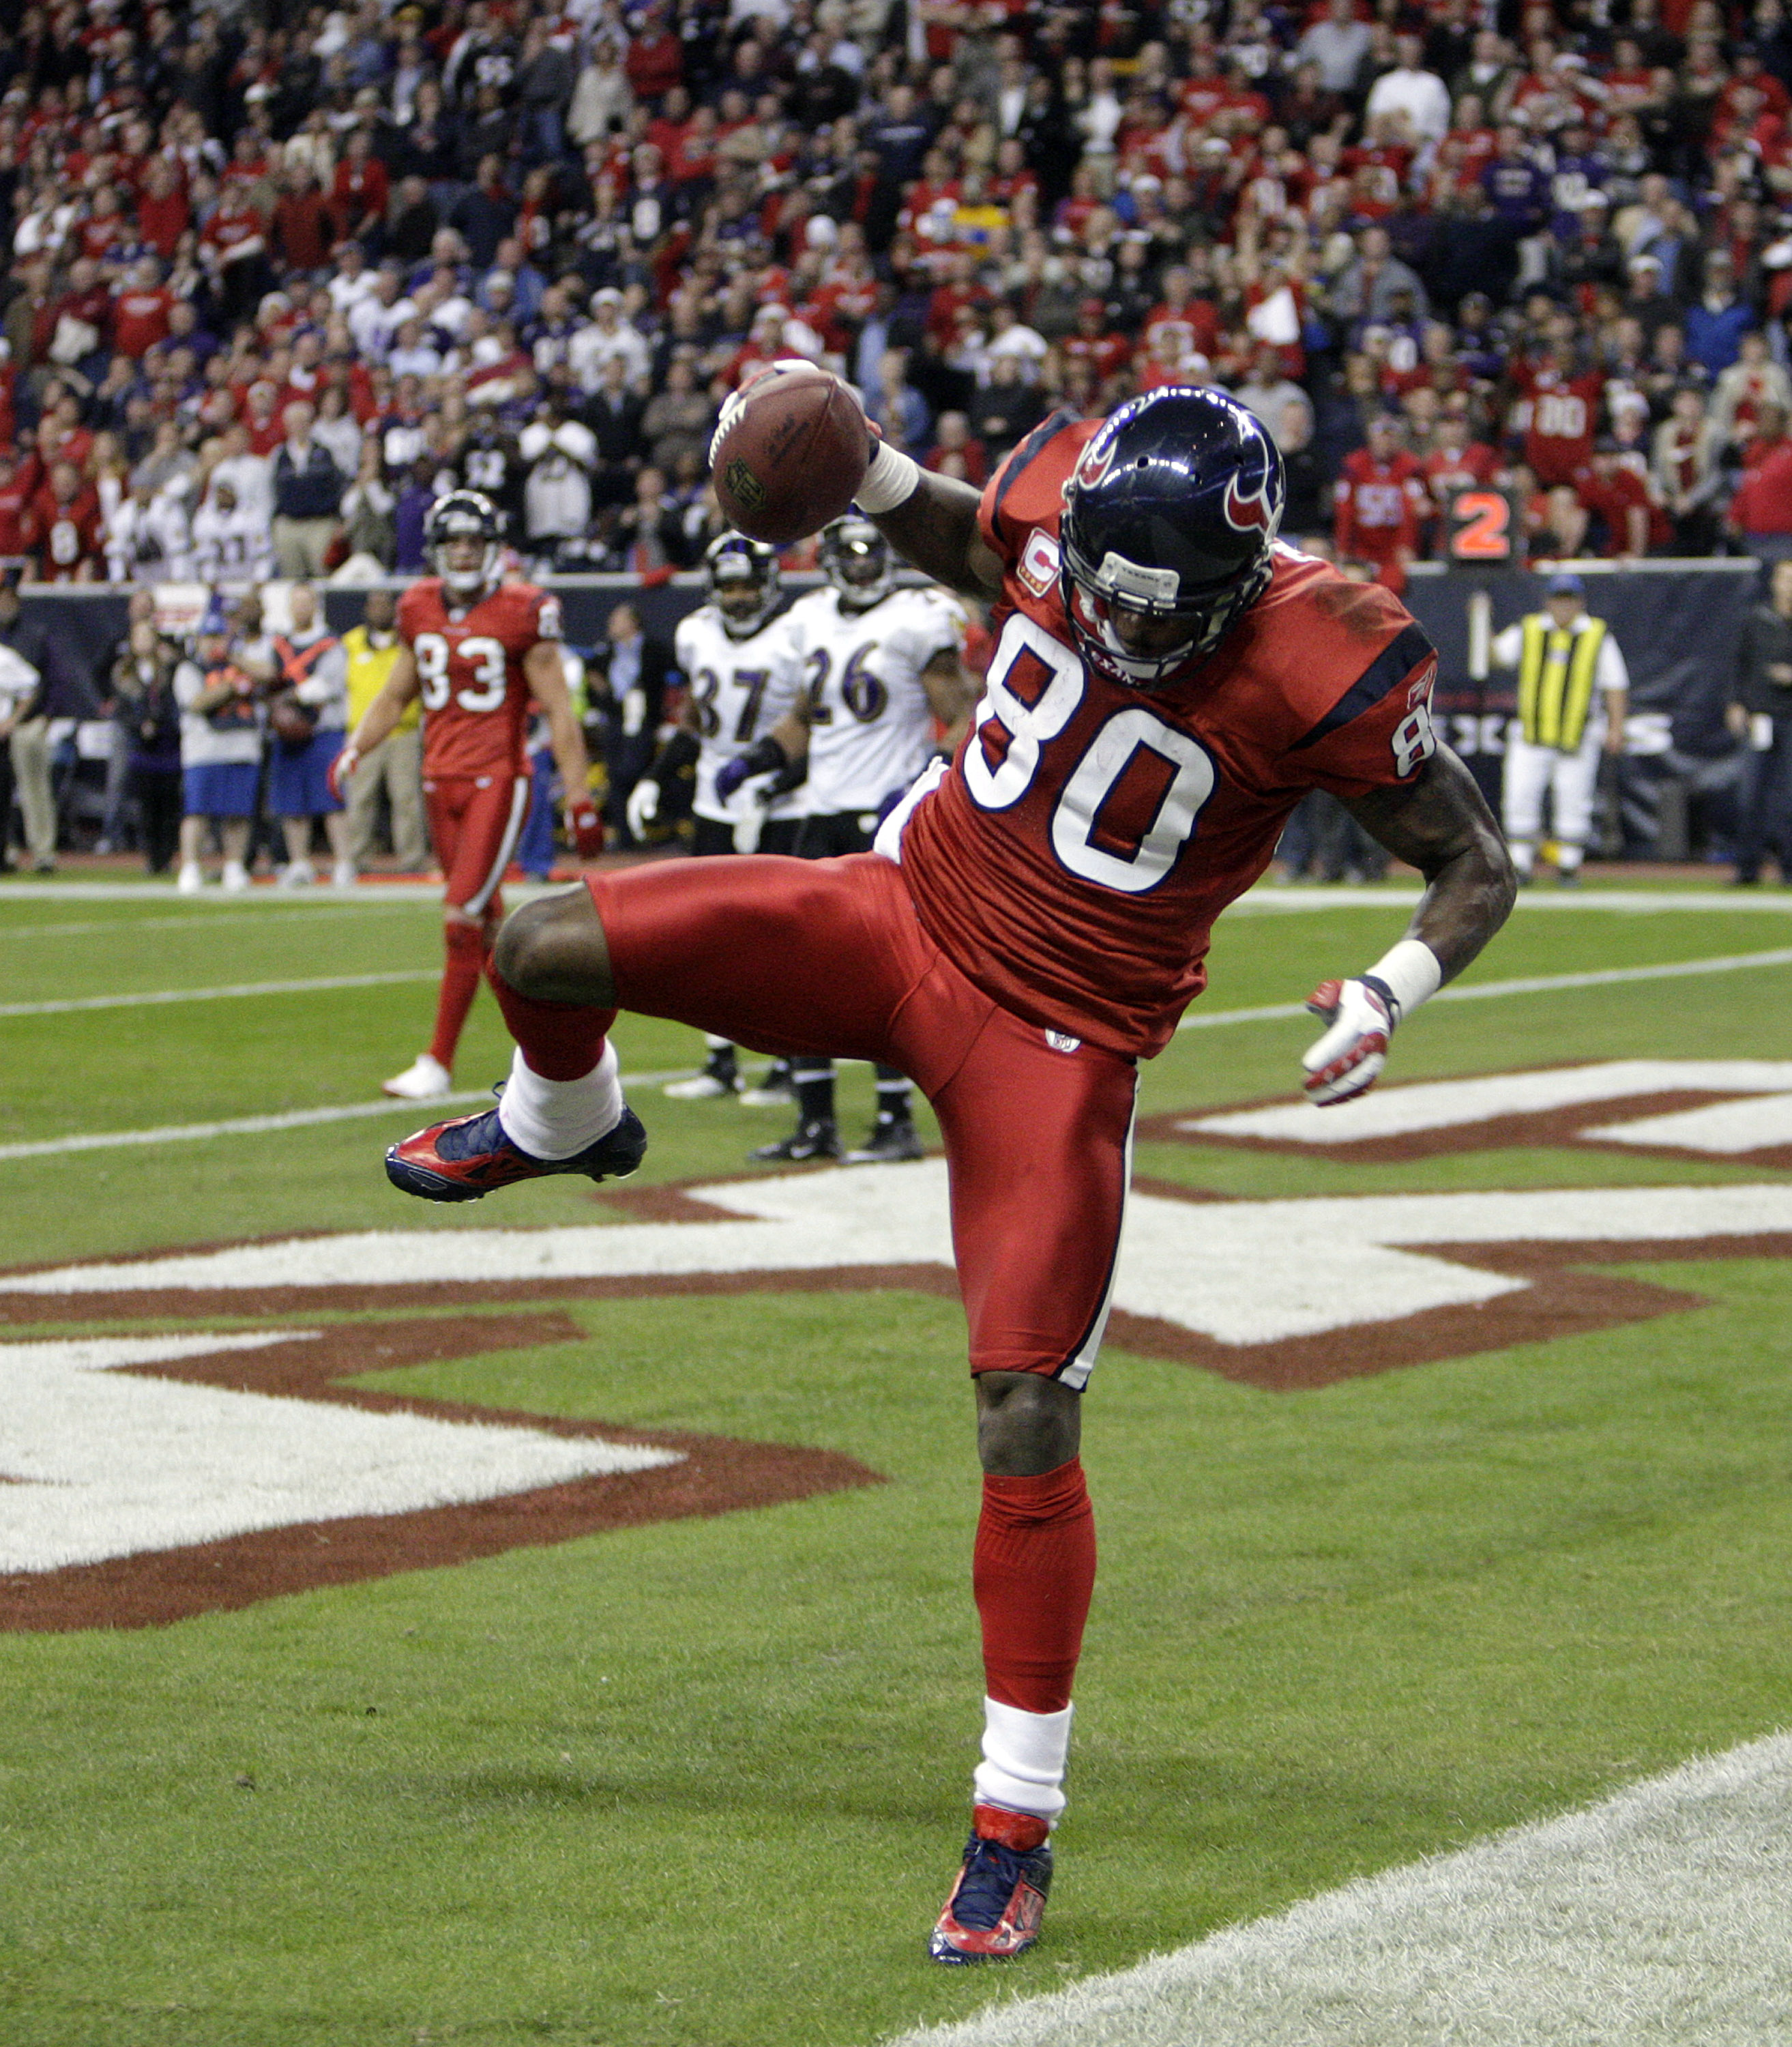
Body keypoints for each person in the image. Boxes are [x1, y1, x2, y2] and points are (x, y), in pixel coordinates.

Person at [384, 387, 1515, 1964]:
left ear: (1237, 577)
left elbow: (1475, 860)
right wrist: (834, 457)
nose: (1117, 624)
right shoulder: (1057, 507)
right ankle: (564, 1119)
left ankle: (1011, 1819)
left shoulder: (1328, 653)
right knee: (542, 944)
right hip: (898, 916)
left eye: (1153, 606)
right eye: (1094, 586)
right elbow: (928, 516)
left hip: (1055, 1043)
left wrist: (1388, 989)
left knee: (1025, 1405)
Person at [330, 491, 604, 1101]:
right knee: (488, 930)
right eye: (452, 542)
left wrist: (578, 797)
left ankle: (437, 1061)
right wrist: (357, 747)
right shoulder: (417, 606)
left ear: (491, 547)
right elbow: (397, 693)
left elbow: (559, 711)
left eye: (472, 542)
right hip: (438, 779)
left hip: (497, 780)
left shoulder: (522, 609)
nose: (462, 552)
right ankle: (557, 1047)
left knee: (459, 918)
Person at [718, 516, 973, 1163]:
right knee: (800, 973)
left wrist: (918, 784)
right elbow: (808, 714)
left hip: (883, 818)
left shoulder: (917, 618)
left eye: (871, 555)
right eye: (851, 557)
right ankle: (816, 1124)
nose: (863, 568)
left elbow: (964, 718)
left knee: (881, 974)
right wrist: (757, 760)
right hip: (820, 812)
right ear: (830, 563)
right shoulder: (809, 619)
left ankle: (894, 1121)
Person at [628, 532, 808, 1102]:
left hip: (783, 805)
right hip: (714, 801)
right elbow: (697, 721)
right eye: (727, 585)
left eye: (748, 584)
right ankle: (720, 1059)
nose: (737, 596)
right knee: (708, 937)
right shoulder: (695, 633)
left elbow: (817, 730)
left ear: (769, 585)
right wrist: (657, 775)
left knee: (778, 943)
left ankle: (786, 1063)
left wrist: (777, 784)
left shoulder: (796, 637)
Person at [1489, 571, 1629, 886]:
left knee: (1574, 798)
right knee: (1521, 796)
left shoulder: (1596, 634)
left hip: (1577, 733)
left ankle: (1568, 865)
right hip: (1532, 732)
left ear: (1580, 603)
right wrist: (1480, 623)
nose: (1563, 607)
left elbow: (1615, 684)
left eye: (1569, 600)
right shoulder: (1529, 629)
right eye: (1558, 600)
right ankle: (1520, 864)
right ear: (1548, 602)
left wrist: (1616, 727)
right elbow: (1496, 656)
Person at [250, 583, 354, 889]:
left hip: (323, 729)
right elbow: (267, 678)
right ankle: (299, 862)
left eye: (307, 602)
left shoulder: (331, 643)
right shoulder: (278, 643)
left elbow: (325, 686)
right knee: (292, 804)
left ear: (316, 606)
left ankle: (344, 862)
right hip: (287, 734)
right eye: (296, 603)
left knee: (332, 800)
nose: (301, 609)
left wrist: (285, 699)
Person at [174, 605, 263, 895]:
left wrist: (238, 665)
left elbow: (270, 673)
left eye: (220, 636)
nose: (215, 643)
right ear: (199, 639)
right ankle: (190, 866)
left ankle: (235, 865)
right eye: (209, 637)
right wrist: (232, 686)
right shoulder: (189, 668)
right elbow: (198, 701)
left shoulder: (242, 662)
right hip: (205, 749)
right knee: (197, 813)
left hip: (242, 746)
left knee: (238, 814)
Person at [340, 589, 429, 874]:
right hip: (363, 732)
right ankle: (356, 858)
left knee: (407, 799)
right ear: (366, 609)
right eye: (374, 605)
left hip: (403, 731)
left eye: (385, 605)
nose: (380, 610)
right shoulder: (351, 642)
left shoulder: (408, 641)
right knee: (360, 798)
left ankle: (412, 859)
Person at [589, 603, 675, 847]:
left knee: (636, 771)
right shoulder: (605, 650)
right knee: (615, 776)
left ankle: (648, 828)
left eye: (617, 620)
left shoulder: (653, 648)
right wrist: (603, 693)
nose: (611, 626)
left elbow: (678, 674)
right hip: (615, 720)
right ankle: (625, 836)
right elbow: (591, 670)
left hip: (644, 721)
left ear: (632, 623)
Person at [1729, 556, 1792, 886]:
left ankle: (1789, 870)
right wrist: (1736, 703)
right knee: (1750, 796)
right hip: (1761, 719)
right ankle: (1747, 870)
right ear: (1774, 582)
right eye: (1785, 578)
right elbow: (1739, 663)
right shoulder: (1757, 620)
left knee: (1789, 799)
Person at [0, 570, 57, 873]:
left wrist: (42, 717)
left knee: (33, 787)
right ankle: (7, 850)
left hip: (25, 722)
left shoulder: (33, 634)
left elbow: (45, 682)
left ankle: (42, 850)